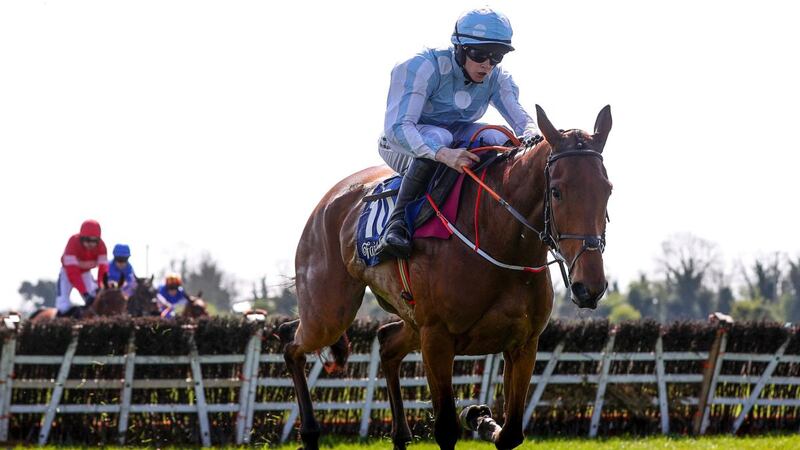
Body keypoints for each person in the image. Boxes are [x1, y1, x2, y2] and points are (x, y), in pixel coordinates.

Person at [376, 7, 541, 259]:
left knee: (501, 137)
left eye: (496, 56)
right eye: (479, 54)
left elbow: (524, 124)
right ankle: (396, 224)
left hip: (452, 137)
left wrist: (535, 139)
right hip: (399, 142)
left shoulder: (497, 78)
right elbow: (398, 128)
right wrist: (443, 154)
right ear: (460, 48)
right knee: (439, 138)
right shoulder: (422, 66)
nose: (487, 65)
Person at [55, 219, 109, 317]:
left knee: (94, 297)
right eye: (87, 240)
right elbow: (73, 273)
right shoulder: (72, 242)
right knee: (63, 304)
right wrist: (84, 293)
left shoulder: (102, 246)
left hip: (85, 273)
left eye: (94, 241)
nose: (90, 244)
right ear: (81, 238)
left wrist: (100, 287)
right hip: (67, 273)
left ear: (98, 240)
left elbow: (103, 271)